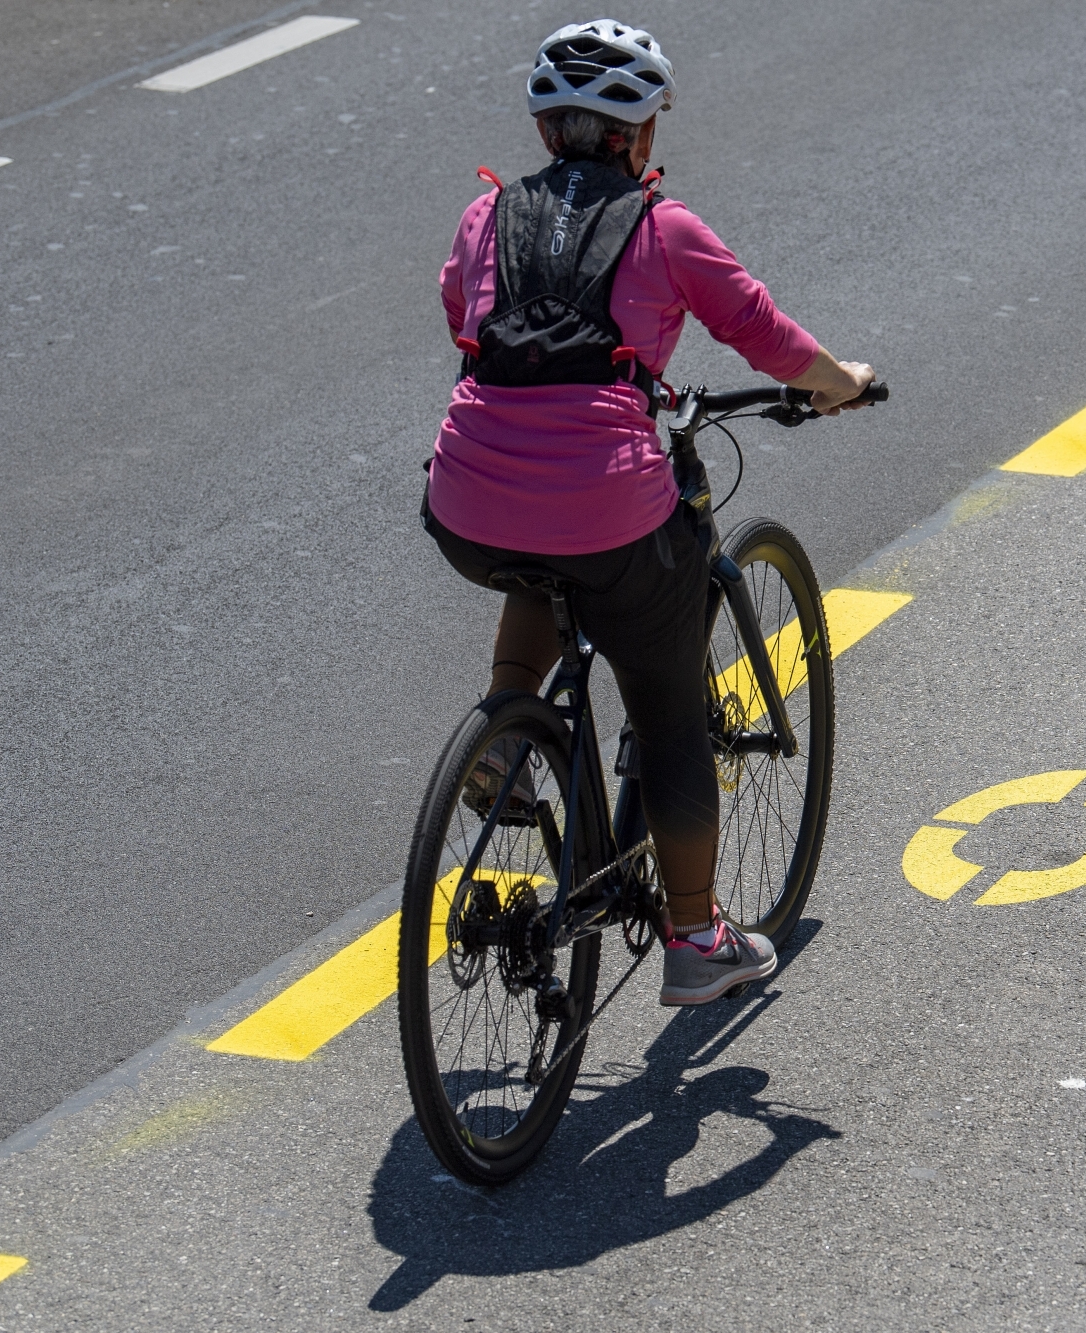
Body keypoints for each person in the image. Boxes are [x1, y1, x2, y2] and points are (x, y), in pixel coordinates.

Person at [421, 19, 873, 1006]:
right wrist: (840, 383)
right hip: (607, 500)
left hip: (463, 495)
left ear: (546, 133)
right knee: (668, 707)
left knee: (534, 559)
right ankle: (695, 935)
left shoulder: (482, 216)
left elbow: (463, 312)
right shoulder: (663, 228)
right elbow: (761, 330)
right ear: (636, 139)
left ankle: (507, 729)